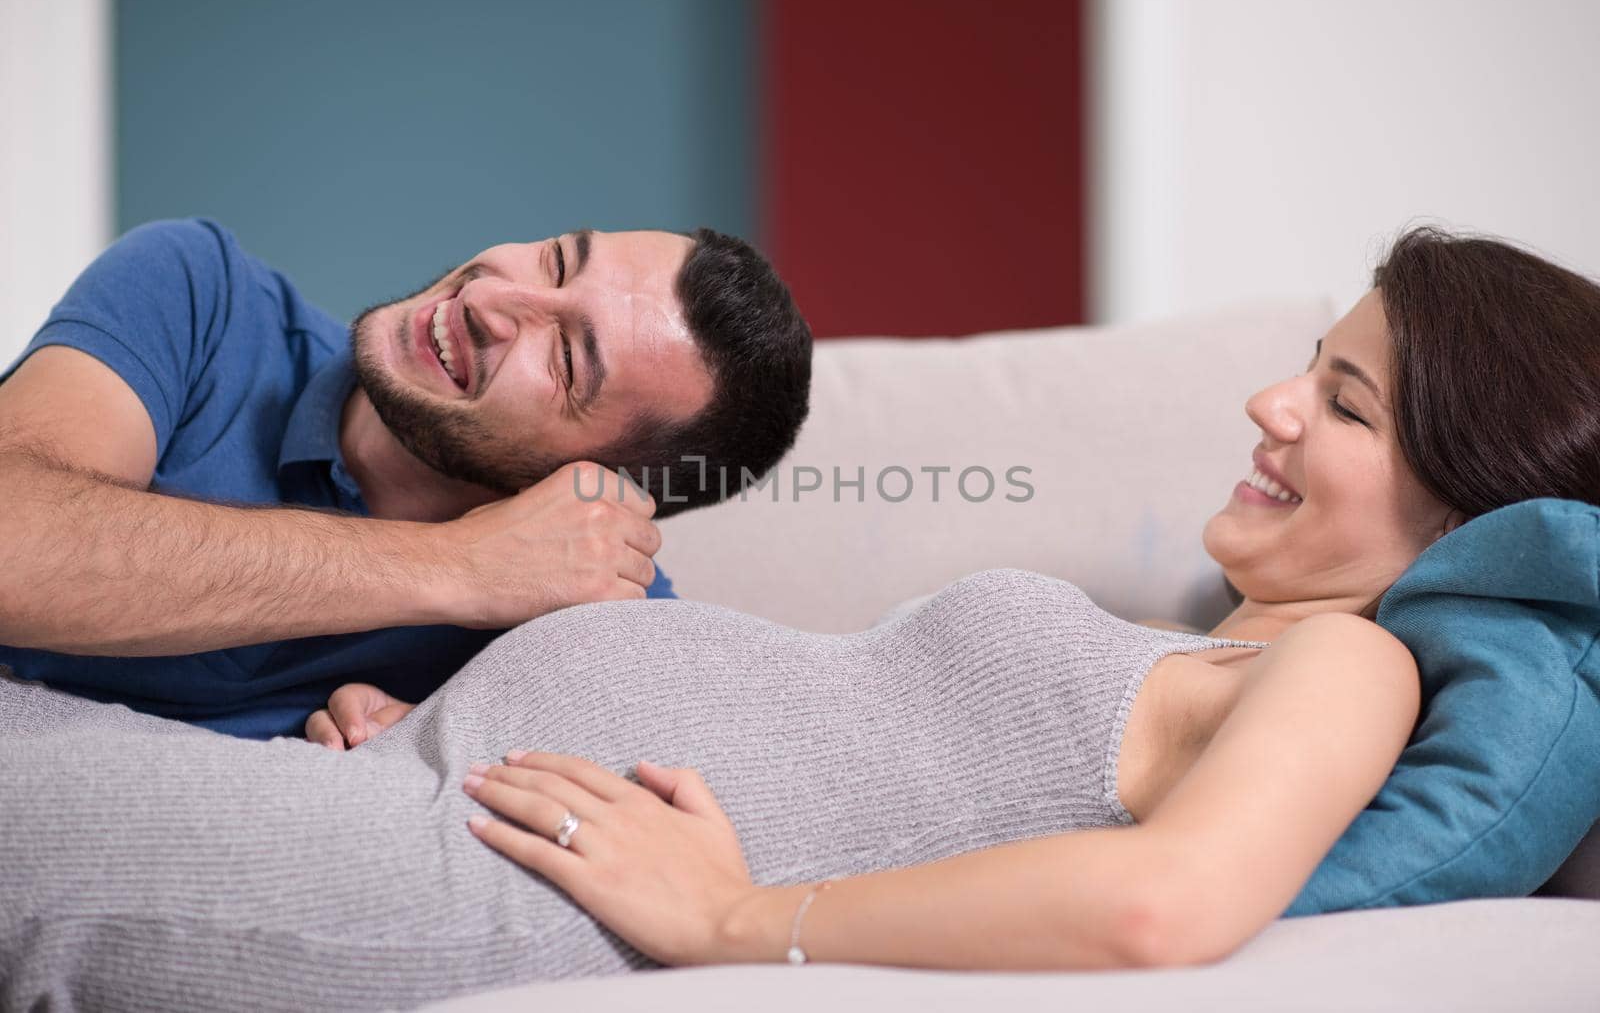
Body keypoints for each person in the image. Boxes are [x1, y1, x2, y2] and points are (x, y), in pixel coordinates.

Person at [3, 226, 1597, 1009]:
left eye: (1341, 400)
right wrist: (413, 712)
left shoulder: (1353, 660)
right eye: (1302, 363)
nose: (1268, 405)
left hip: (461, 882)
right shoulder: (1211, 642)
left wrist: (741, 920)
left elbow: (1162, 909)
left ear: (1461, 499)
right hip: (392, 787)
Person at [0, 219, 812, 739]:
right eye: (557, 259)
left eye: (565, 358)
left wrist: (440, 749)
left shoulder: (597, 612)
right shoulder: (198, 293)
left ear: (598, 489)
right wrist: (460, 568)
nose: (493, 296)